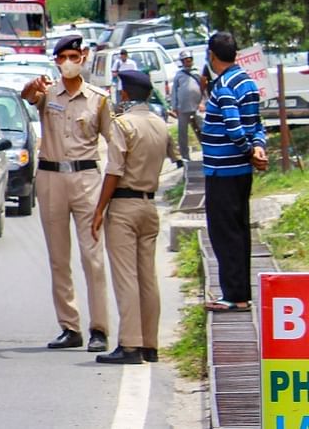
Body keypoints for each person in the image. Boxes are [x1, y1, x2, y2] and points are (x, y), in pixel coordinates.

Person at [20, 34, 113, 353]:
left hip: (86, 178)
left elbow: (112, 141)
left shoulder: (98, 98)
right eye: (62, 58)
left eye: (73, 56)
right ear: (56, 62)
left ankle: (99, 328)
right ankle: (69, 326)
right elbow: (27, 97)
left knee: (93, 257)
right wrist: (33, 86)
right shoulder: (47, 94)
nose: (68, 63)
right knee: (59, 258)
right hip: (51, 177)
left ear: (83, 57)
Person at [90, 70, 183, 364]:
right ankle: (149, 344)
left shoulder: (124, 125)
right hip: (149, 206)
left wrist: (99, 209)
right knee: (147, 277)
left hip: (125, 206)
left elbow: (114, 171)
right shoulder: (160, 125)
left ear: (126, 94)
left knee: (125, 277)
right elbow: (174, 156)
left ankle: (129, 344)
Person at [201, 32, 268, 312]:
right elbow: (257, 124)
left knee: (224, 232)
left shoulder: (224, 86)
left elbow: (234, 126)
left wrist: (249, 151)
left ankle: (234, 296)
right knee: (239, 230)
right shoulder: (248, 82)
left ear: (212, 56)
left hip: (222, 172)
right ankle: (241, 292)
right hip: (240, 173)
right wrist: (258, 147)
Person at [171, 50, 204, 161]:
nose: (187, 62)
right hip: (183, 107)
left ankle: (208, 151)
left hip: (197, 106)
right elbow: (174, 91)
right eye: (185, 60)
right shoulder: (179, 75)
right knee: (182, 134)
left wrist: (203, 102)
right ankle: (185, 156)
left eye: (189, 59)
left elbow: (204, 89)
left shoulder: (198, 72)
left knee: (203, 129)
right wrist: (174, 107)